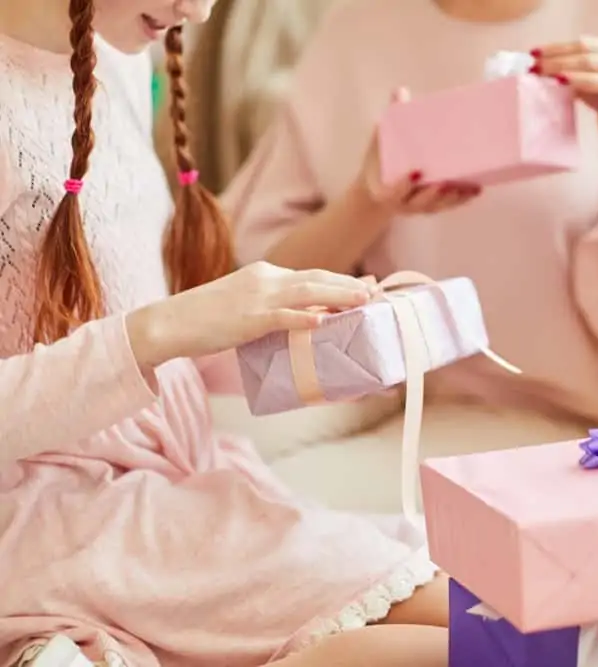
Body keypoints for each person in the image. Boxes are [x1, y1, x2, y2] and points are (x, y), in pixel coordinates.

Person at [0, 0, 452, 665]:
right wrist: (170, 325)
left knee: (493, 619)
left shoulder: (116, 61)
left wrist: (307, 340)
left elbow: (148, 342)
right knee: (477, 636)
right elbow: (148, 335)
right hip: (60, 521)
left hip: (176, 492)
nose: (201, 11)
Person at [221, 0, 598, 504]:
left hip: (548, 417)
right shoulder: (357, 25)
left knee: (275, 519)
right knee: (190, 469)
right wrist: (370, 201)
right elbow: (265, 285)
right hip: (368, 392)